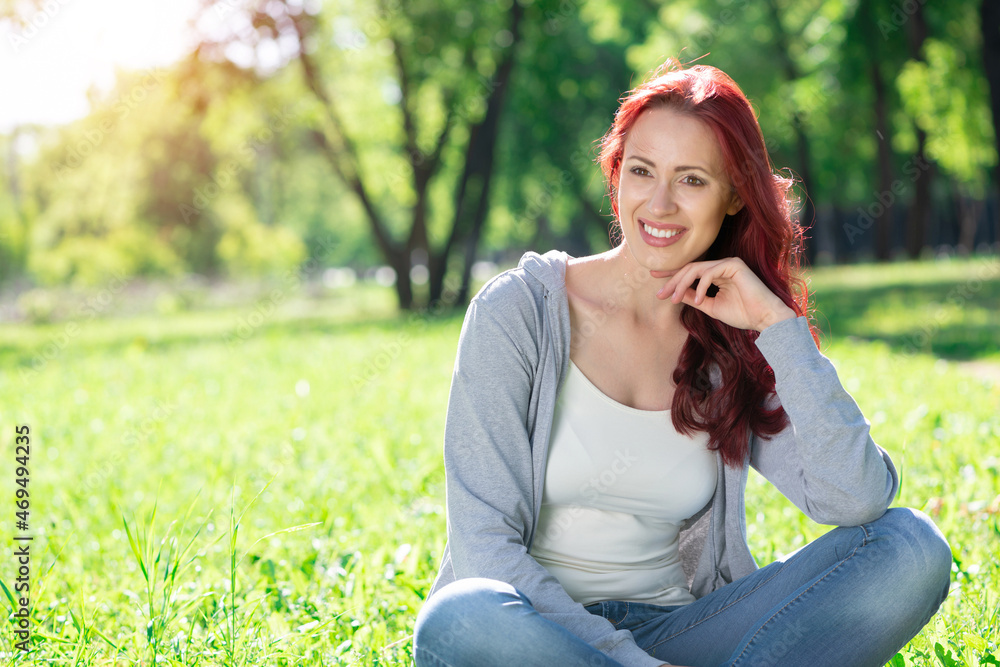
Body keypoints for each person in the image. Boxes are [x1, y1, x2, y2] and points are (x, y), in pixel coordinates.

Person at [412, 59, 952, 667]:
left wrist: (779, 330)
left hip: (683, 633)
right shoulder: (519, 312)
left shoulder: (730, 338)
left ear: (734, 197)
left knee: (909, 546)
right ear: (616, 174)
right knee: (460, 616)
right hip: (530, 634)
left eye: (692, 180)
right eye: (641, 170)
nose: (660, 203)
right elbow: (484, 551)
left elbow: (854, 500)